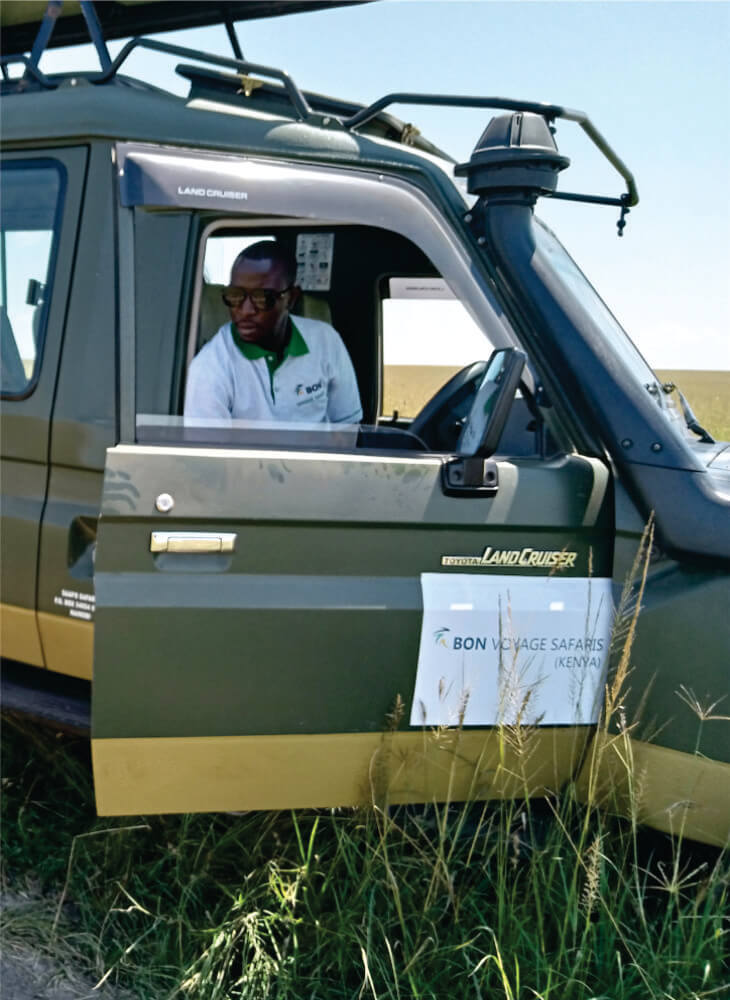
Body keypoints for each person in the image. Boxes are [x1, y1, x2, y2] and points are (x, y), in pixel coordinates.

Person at [184, 241, 362, 423]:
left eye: (262, 297)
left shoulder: (326, 341)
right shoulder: (210, 368)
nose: (245, 310)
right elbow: (210, 450)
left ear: (291, 299)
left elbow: (345, 429)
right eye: (235, 295)